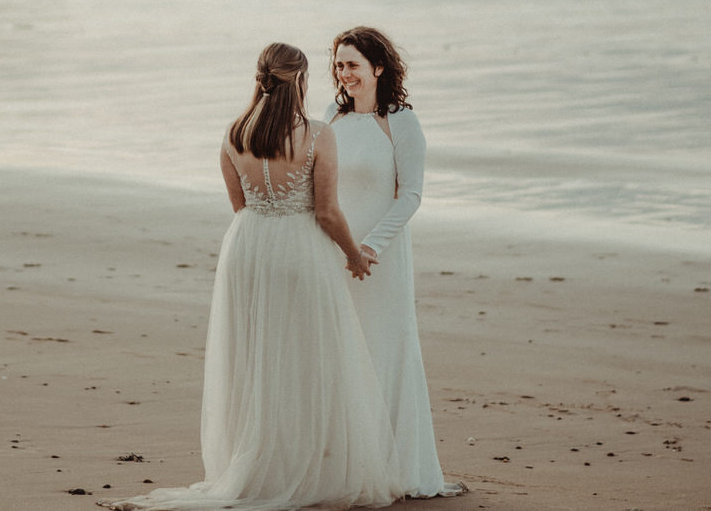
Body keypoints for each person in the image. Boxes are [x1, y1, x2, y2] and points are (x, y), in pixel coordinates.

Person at [101, 42, 404, 511]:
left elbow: (240, 205)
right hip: (299, 249)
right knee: (307, 359)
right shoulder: (319, 135)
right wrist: (355, 256)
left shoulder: (233, 132)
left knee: (256, 357)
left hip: (247, 247)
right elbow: (326, 212)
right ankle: (302, 466)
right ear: (300, 81)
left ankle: (260, 458)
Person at [326, 27, 463, 499]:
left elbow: (411, 197)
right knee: (344, 351)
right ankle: (349, 463)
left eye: (353, 65)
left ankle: (397, 466)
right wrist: (337, 244)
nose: (344, 75)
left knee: (385, 345)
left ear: (378, 68)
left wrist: (371, 247)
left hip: (380, 257)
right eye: (339, 65)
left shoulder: (401, 121)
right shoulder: (332, 117)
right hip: (335, 249)